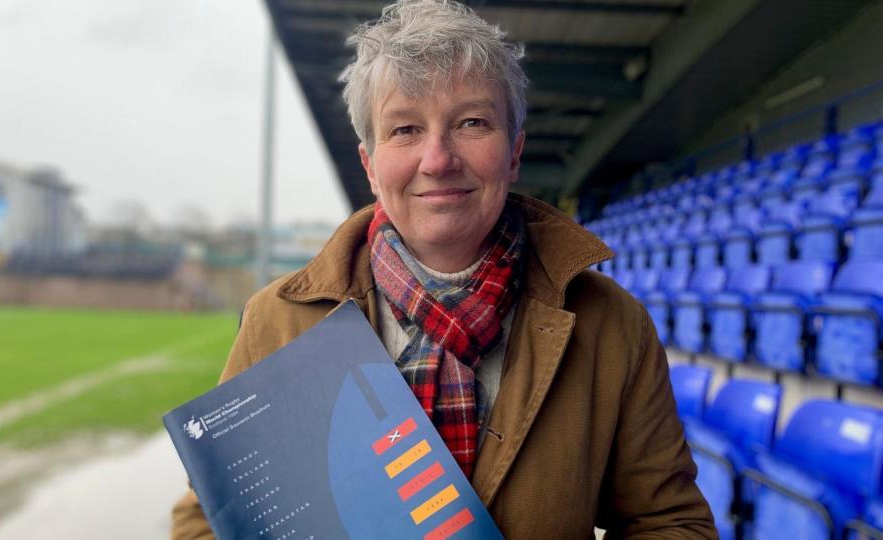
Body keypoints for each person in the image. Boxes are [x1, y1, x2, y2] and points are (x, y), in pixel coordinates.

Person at [171, 0, 716, 538]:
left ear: (515, 152)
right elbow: (210, 521)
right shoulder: (279, 321)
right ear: (369, 164)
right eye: (405, 129)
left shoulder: (612, 326)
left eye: (472, 122)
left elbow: (671, 523)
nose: (437, 159)